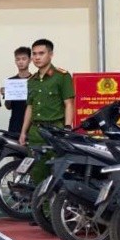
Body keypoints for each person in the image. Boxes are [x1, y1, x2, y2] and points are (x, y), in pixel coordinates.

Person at [18, 38, 75, 184]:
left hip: (55, 130)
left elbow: (69, 104)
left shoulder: (62, 76)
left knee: (56, 173)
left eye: (41, 53)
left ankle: (54, 200)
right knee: (37, 173)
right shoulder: (32, 81)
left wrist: (67, 129)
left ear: (50, 54)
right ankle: (39, 200)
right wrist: (23, 132)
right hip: (36, 132)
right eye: (34, 54)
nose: (37, 57)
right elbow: (30, 107)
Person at [4, 46, 33, 137]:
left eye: (24, 59)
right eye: (18, 59)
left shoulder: (34, 80)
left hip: (32, 123)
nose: (20, 62)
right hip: (15, 123)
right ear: (15, 61)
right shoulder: (11, 81)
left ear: (30, 60)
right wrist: (7, 94)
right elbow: (8, 106)